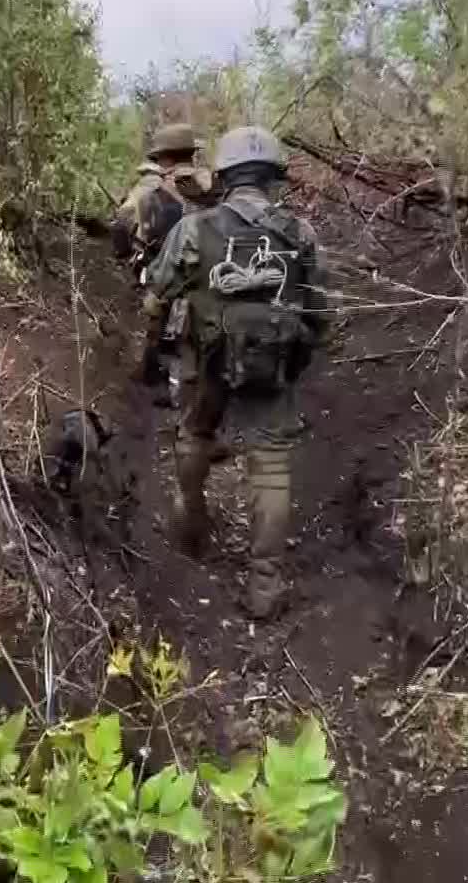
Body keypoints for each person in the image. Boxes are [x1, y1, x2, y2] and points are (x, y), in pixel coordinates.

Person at [142, 125, 329, 619]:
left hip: (209, 364)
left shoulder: (195, 229)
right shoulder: (301, 234)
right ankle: (265, 584)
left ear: (222, 174)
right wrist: (295, 359)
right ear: (274, 176)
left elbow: (158, 289)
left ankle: (190, 521)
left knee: (195, 434)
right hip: (274, 368)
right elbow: (322, 314)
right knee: (270, 466)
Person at [113, 124, 208, 394]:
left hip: (169, 281)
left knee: (159, 328)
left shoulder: (150, 194)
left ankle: (162, 384)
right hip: (219, 286)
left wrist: (128, 257)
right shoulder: (218, 186)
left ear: (163, 158)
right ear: (191, 153)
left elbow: (121, 225)